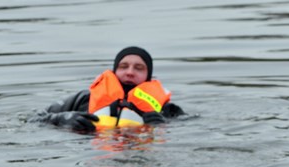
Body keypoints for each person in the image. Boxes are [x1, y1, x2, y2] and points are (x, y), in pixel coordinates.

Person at [36, 46, 184, 132]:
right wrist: (62, 119)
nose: (130, 72)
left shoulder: (166, 110)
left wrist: (162, 125)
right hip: (90, 152)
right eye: (123, 66)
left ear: (148, 76)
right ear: (114, 71)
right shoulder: (83, 99)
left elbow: (188, 127)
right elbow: (35, 119)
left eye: (139, 68)